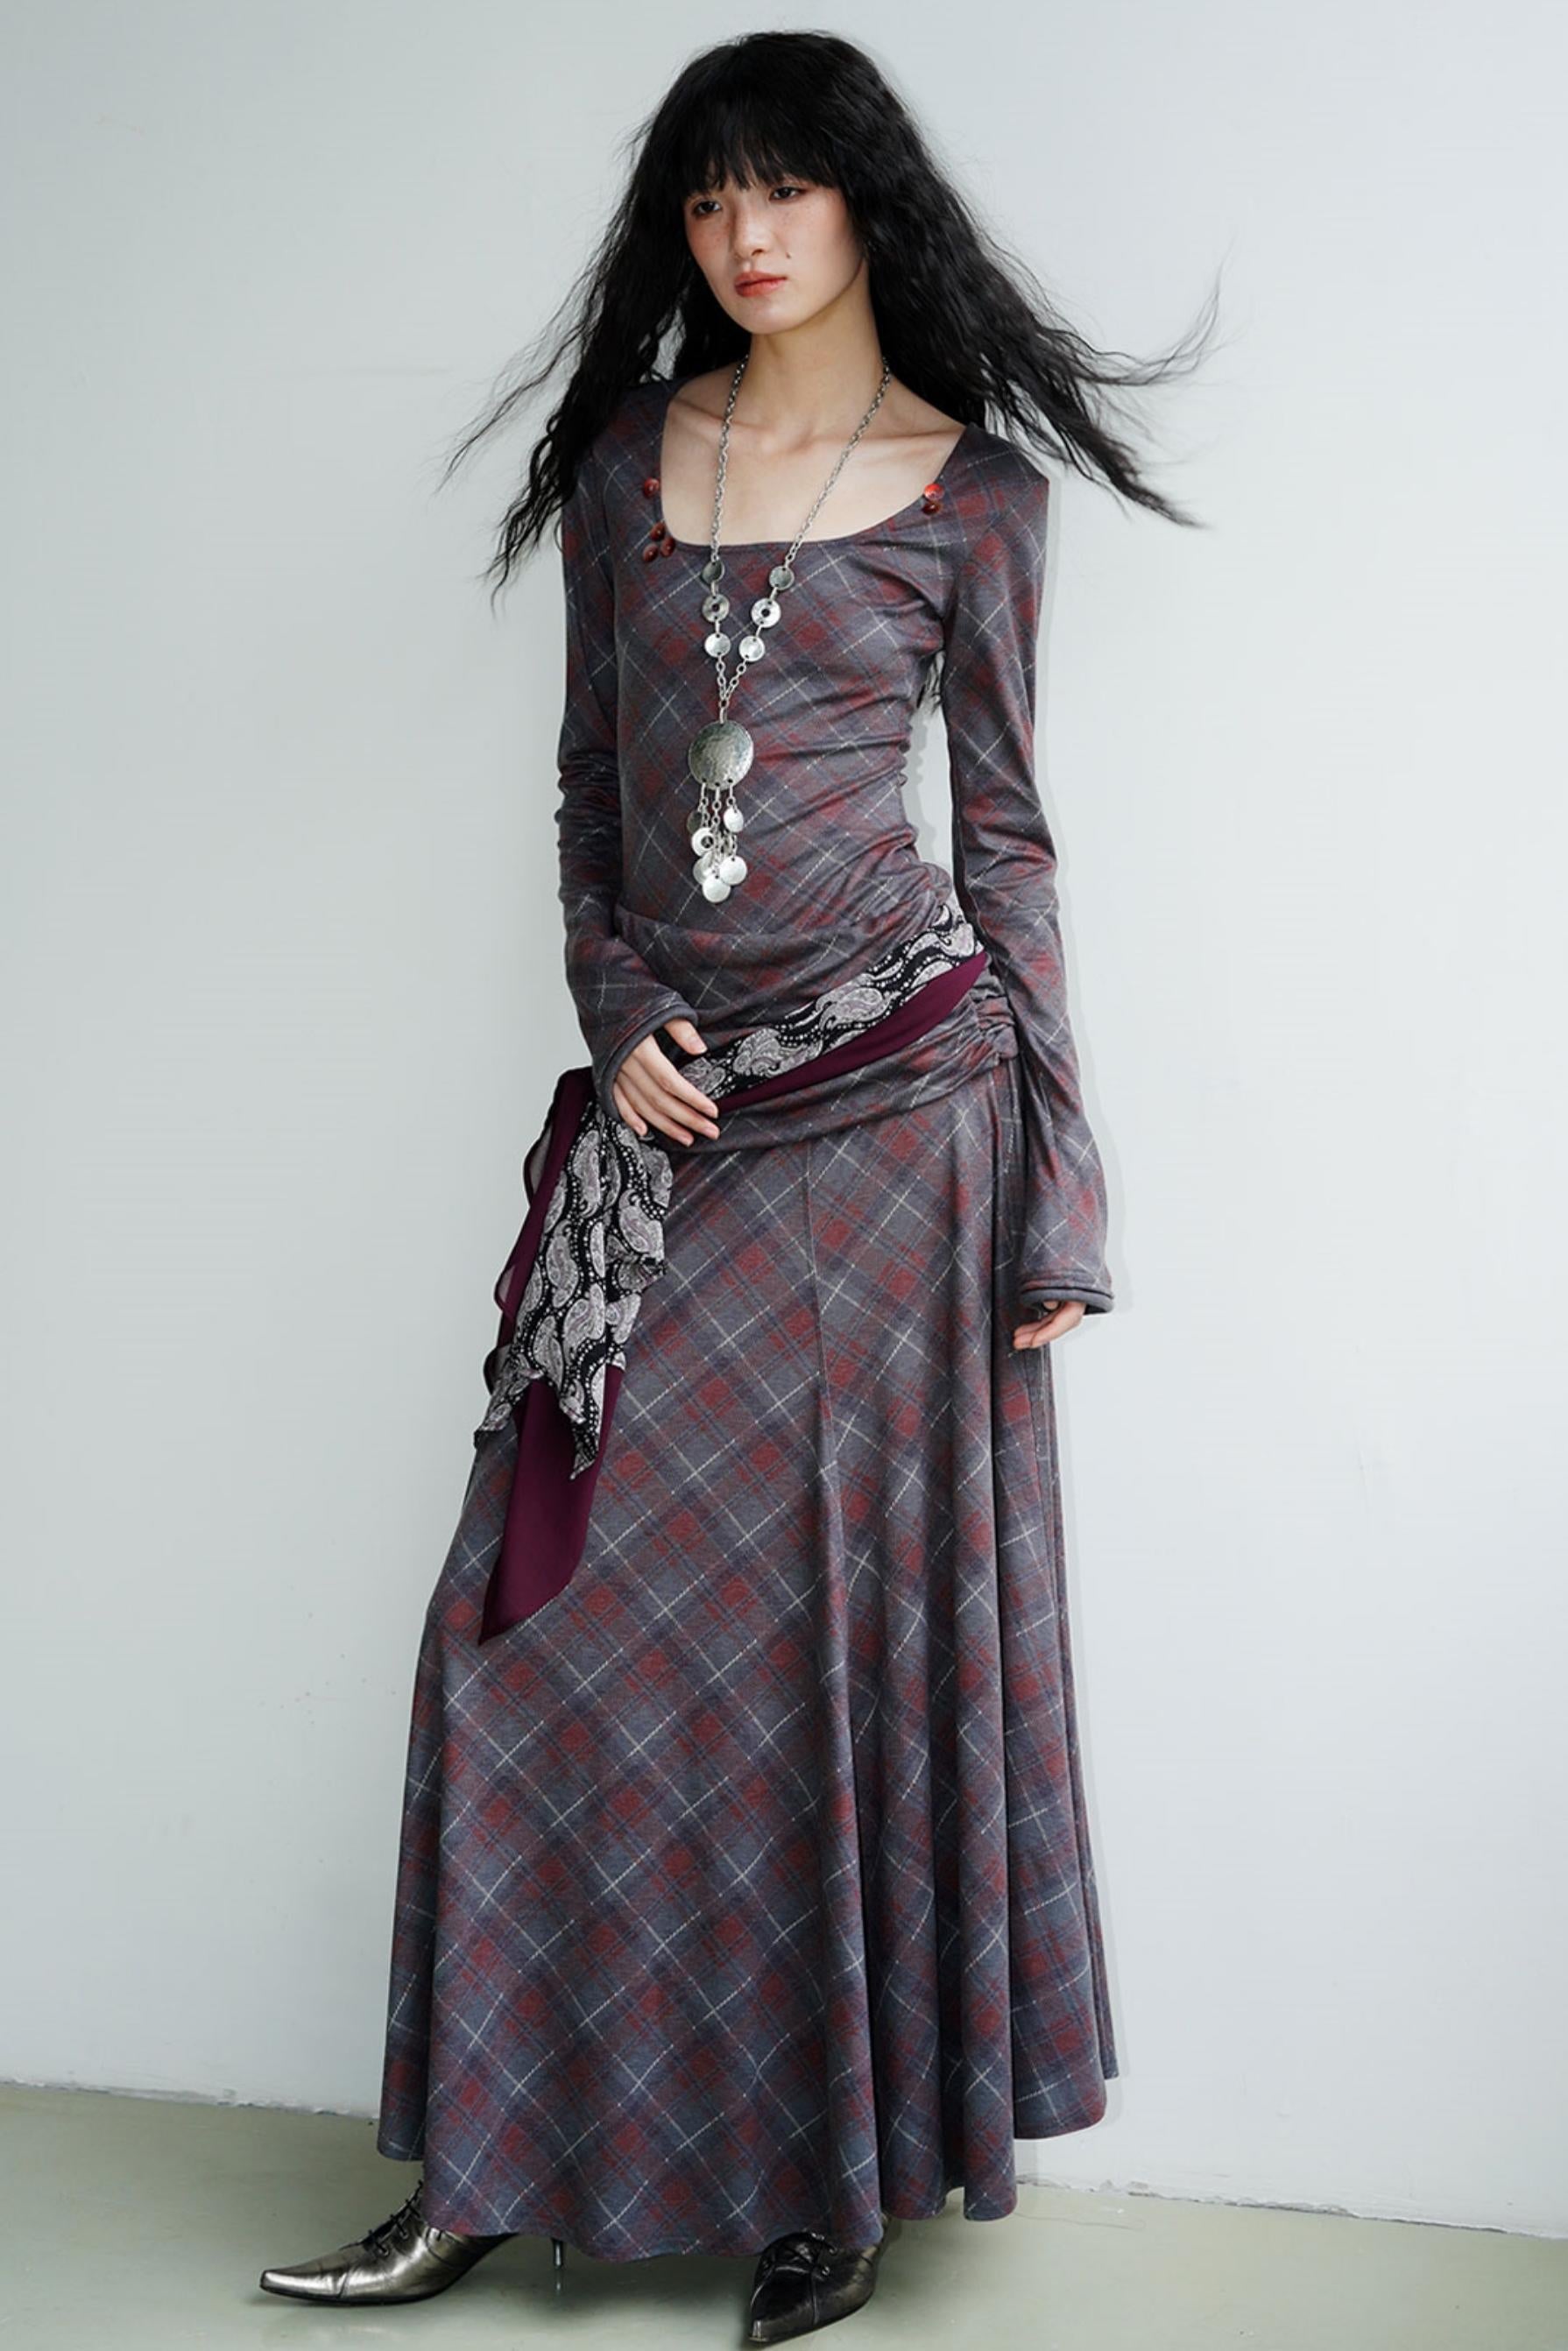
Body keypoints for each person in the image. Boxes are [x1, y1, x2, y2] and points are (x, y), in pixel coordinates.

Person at [258, 29, 1213, 2344]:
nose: (744, 236)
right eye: (706, 203)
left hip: (903, 1127)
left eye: (781, 190)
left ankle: (832, 2175)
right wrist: (613, 1010)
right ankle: (483, 2164)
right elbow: (594, 800)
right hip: (678, 1130)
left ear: (865, 203)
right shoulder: (629, 462)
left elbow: (1006, 842)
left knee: (841, 1659)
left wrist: (1066, 1180)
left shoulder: (979, 498)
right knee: (519, 1627)